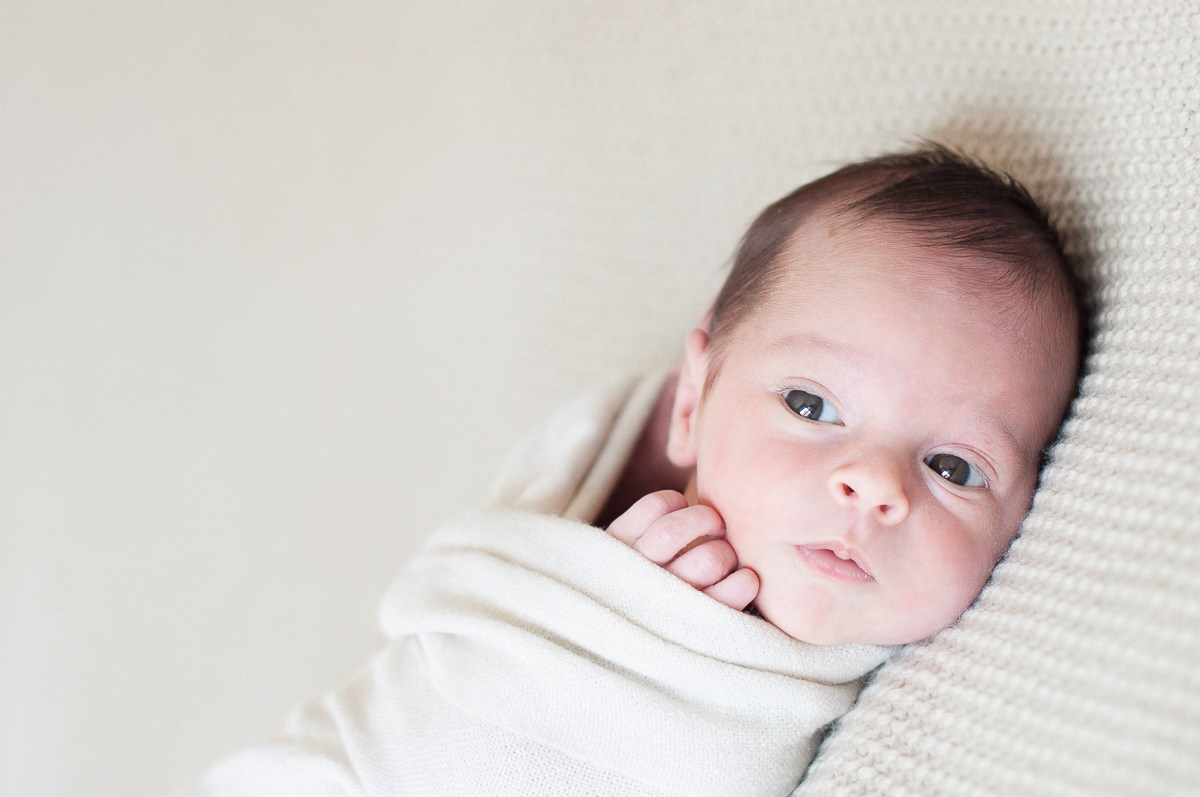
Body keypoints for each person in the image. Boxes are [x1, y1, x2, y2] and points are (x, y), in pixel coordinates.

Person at [179, 145, 1084, 796]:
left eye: (954, 465)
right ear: (692, 404)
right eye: (810, 406)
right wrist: (624, 589)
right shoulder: (618, 521)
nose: (874, 484)